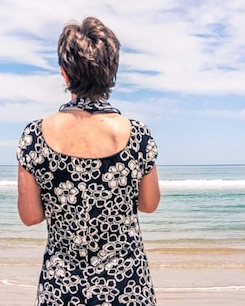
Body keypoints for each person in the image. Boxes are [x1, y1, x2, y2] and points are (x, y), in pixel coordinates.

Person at [17, 17, 161, 306]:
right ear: (111, 73)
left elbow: (30, 216)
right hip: (127, 284)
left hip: (62, 288)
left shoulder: (35, 135)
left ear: (65, 74)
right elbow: (148, 204)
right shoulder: (138, 135)